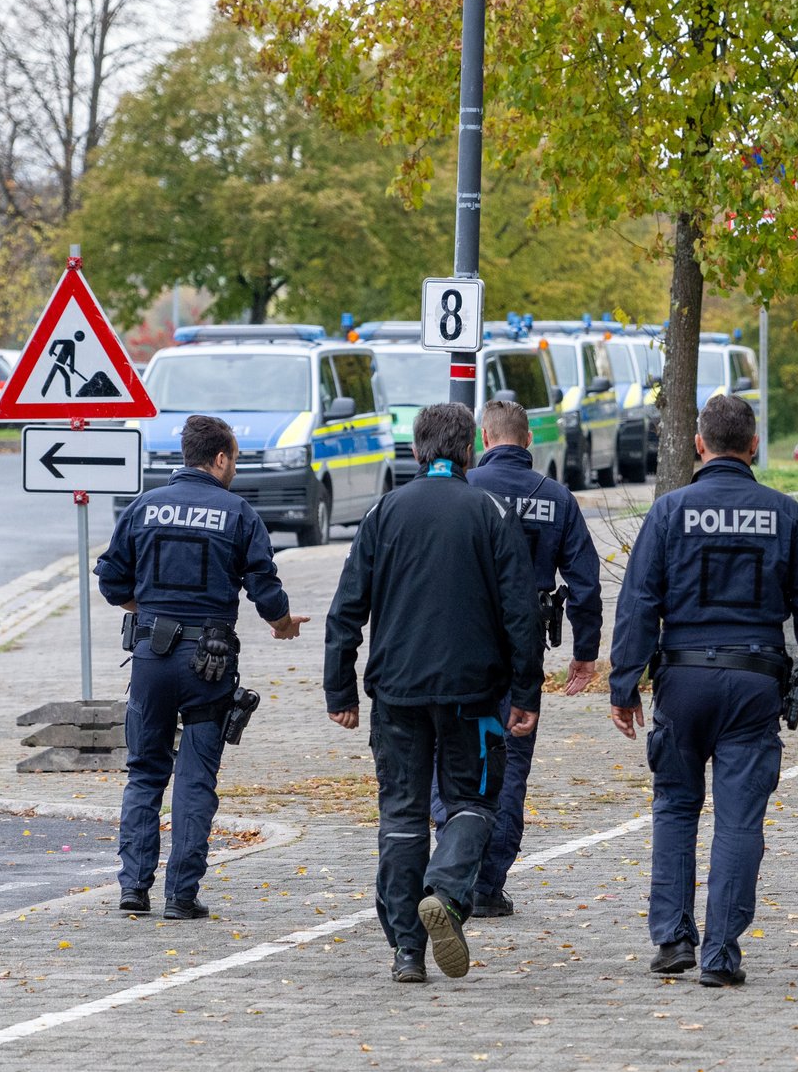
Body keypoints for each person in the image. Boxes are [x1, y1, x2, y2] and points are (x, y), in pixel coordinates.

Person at [608, 394, 798, 987]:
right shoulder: (784, 514)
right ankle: (720, 954)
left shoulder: (669, 512)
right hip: (754, 684)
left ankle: (672, 939)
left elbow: (638, 603)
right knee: (738, 823)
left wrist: (624, 684)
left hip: (682, 683)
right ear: (754, 445)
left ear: (699, 444)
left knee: (675, 809)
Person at [324, 402, 544, 984]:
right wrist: (527, 692)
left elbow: (346, 609)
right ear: (470, 449)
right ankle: (445, 895)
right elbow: (521, 613)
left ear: (417, 450)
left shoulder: (383, 513)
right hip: (474, 696)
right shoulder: (492, 512)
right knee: (472, 803)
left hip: (396, 693)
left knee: (401, 813)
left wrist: (339, 689)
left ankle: (406, 951)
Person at [96, 415, 309, 919]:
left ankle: (133, 889)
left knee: (145, 773)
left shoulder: (143, 507)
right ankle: (181, 896)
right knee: (195, 780)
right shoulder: (237, 513)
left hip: (149, 657)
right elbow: (264, 588)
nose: (233, 468)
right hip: (208, 665)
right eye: (233, 459)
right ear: (219, 459)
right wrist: (282, 622)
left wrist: (148, 609)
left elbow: (111, 583)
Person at [427, 398, 602, 919]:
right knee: (510, 766)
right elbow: (586, 584)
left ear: (483, 439)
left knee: (449, 757)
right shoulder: (557, 499)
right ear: (528, 441)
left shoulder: (464, 490)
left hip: (456, 648)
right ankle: (487, 885)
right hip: (519, 655)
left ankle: (451, 866)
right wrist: (585, 652)